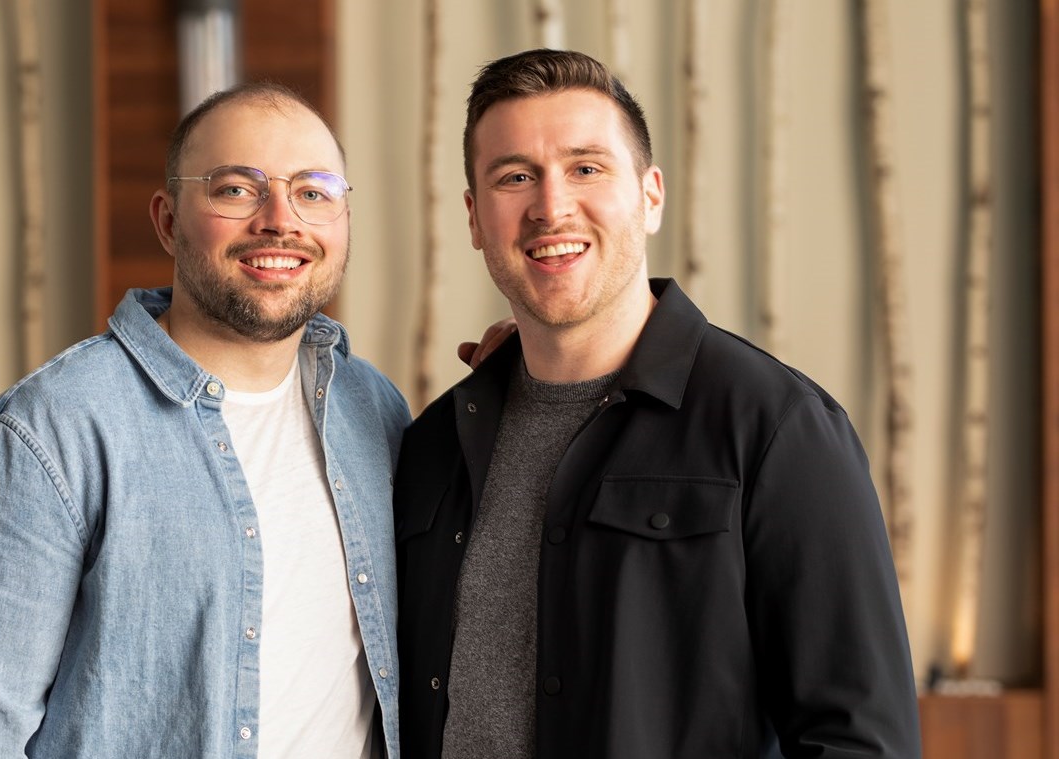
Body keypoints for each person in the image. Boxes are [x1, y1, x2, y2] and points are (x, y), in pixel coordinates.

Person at [394, 49, 921, 758]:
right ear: (474, 218)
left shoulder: (774, 427)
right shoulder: (434, 445)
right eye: (515, 177)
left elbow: (859, 740)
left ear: (650, 196)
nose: (551, 206)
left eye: (586, 168)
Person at [0, 82, 410, 759]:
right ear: (168, 221)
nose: (280, 221)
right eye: (237, 189)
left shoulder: (374, 409)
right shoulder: (44, 435)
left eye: (313, 192)